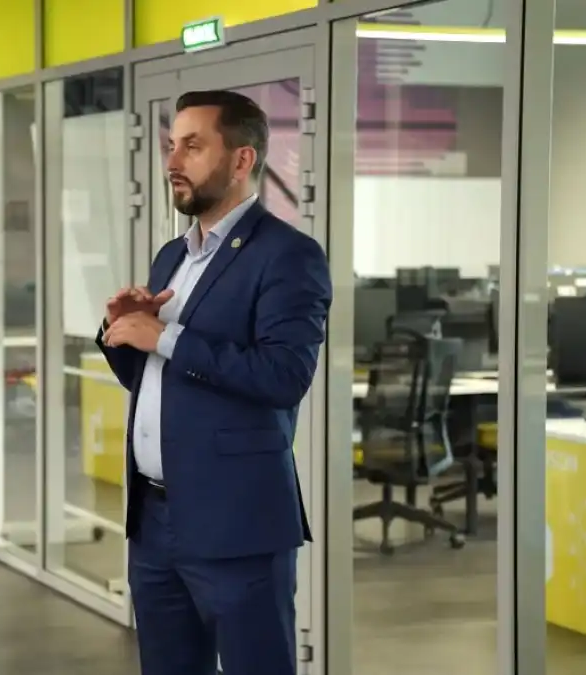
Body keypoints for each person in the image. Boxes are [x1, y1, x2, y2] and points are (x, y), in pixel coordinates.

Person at [98, 89, 332, 675]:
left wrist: (165, 337)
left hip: (237, 522)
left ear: (242, 159)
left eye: (193, 146)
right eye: (171, 146)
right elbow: (152, 380)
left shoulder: (288, 255)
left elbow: (284, 376)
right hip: (154, 522)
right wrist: (121, 329)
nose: (173, 161)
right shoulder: (171, 256)